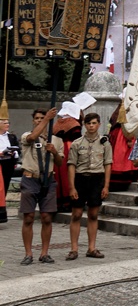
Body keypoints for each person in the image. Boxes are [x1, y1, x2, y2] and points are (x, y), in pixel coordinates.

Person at [18, 108, 62, 265]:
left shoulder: (56, 140)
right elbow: (32, 138)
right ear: (33, 120)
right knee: (28, 217)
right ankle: (28, 253)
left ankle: (44, 253)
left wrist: (54, 152)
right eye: (37, 118)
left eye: (42, 117)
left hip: (48, 180)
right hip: (30, 178)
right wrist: (47, 119)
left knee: (47, 217)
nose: (39, 120)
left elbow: (60, 163)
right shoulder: (26, 135)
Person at [66, 111, 110, 260]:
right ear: (84, 125)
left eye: (94, 123)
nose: (91, 126)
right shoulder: (77, 143)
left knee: (93, 214)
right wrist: (72, 187)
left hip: (97, 179)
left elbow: (108, 164)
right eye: (88, 123)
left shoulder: (105, 143)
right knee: (77, 214)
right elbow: (71, 165)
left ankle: (92, 247)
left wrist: (106, 186)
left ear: (99, 124)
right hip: (81, 178)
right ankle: (74, 249)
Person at [0, 117, 18, 224]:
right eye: (5, 123)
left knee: (5, 186)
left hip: (8, 164)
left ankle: (2, 212)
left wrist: (13, 153)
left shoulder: (11, 136)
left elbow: (17, 148)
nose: (7, 124)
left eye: (8, 122)